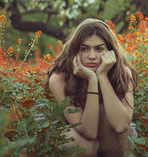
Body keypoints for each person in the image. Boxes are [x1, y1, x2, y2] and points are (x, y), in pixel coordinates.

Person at [45, 18, 138, 157]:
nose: (92, 56)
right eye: (84, 49)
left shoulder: (122, 73)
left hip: (114, 140)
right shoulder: (59, 79)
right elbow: (89, 132)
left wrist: (102, 76)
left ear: (110, 52)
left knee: (123, 135)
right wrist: (92, 80)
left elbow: (121, 126)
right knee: (84, 145)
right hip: (82, 137)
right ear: (75, 51)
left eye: (99, 49)